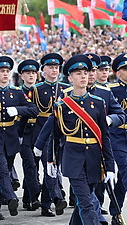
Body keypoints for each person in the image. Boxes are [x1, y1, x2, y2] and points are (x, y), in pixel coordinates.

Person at [39, 54, 115, 224]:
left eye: (85, 73)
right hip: (73, 158)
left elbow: (105, 137)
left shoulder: (98, 102)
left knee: (83, 201)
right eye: (78, 73)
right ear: (70, 77)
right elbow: (55, 136)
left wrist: (110, 167)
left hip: (94, 158)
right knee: (87, 203)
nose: (83, 76)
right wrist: (51, 162)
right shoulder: (63, 105)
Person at [0, 56, 38, 220]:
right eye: (1, 71)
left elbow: (33, 109)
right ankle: (11, 197)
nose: (5, 74)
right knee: (2, 169)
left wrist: (18, 110)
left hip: (11, 137)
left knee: (3, 172)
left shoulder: (17, 93)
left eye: (7, 71)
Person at [31, 53, 68, 217]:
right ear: (43, 70)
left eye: (56, 67)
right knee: (49, 168)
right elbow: (31, 111)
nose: (54, 70)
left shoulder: (65, 89)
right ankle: (54, 199)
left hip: (61, 134)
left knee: (52, 169)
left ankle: (49, 202)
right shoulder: (36, 89)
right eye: (50, 67)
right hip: (42, 134)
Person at [16, 59, 42, 211]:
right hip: (23, 132)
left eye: (33, 73)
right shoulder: (18, 92)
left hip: (38, 132)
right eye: (27, 73)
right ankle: (35, 194)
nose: (31, 75)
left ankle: (28, 198)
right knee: (30, 164)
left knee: (34, 165)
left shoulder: (41, 90)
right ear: (22, 76)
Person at [107, 53, 127, 225]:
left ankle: (115, 212)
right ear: (117, 72)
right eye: (125, 69)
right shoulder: (110, 90)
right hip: (117, 137)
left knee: (122, 179)